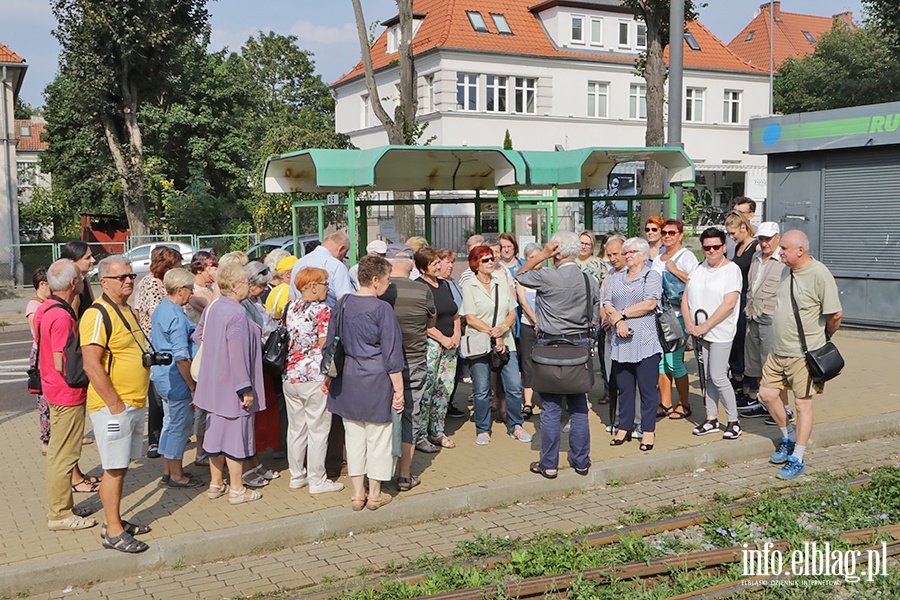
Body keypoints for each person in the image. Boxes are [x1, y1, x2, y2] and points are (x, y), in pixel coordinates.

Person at [80, 256, 152, 553]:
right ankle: (113, 531)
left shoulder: (125, 309)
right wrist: (115, 404)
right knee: (114, 468)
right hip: (114, 408)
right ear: (103, 281)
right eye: (121, 277)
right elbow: (91, 365)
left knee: (122, 467)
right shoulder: (97, 315)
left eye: (131, 276)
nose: (128, 281)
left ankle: (117, 520)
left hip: (133, 402)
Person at [322, 255, 405, 511]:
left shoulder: (343, 303)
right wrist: (399, 389)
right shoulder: (382, 309)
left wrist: (327, 375)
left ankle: (357, 494)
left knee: (354, 437)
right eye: (388, 280)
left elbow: (331, 343)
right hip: (377, 379)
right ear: (375, 279)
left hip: (348, 378)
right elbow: (392, 354)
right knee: (379, 438)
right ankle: (375, 494)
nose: (389, 285)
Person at [758, 230, 842, 480]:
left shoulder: (819, 274)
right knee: (767, 394)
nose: (779, 251)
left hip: (802, 354)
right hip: (778, 350)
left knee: (802, 404)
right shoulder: (787, 269)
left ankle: (798, 457)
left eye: (783, 248)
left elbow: (835, 315)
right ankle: (788, 438)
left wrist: (824, 339)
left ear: (800, 251)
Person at [517, 232, 600, 477]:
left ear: (556, 252)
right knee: (579, 409)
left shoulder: (547, 276)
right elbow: (595, 315)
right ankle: (581, 461)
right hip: (578, 349)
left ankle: (549, 464)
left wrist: (542, 254)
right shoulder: (589, 280)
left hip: (550, 349)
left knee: (551, 409)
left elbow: (519, 275)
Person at [192, 263, 267, 505]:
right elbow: (237, 354)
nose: (249, 286)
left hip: (212, 384)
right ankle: (237, 489)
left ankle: (216, 484)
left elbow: (198, 336)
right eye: (246, 282)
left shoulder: (215, 307)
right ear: (235, 287)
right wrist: (244, 388)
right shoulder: (235, 313)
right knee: (236, 436)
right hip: (232, 387)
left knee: (215, 435)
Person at [37, 259, 98, 531]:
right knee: (64, 455)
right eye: (82, 278)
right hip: (66, 393)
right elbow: (63, 358)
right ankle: (60, 514)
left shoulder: (46, 308)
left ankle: (65, 506)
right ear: (73, 283)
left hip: (53, 389)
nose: (85, 282)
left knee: (60, 454)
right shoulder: (61, 315)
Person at [281, 267, 344, 495]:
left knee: (296, 428)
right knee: (318, 429)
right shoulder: (322, 310)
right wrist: (329, 375)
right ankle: (317, 479)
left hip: (290, 375)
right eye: (325, 283)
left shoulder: (289, 307)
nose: (328, 287)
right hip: (314, 376)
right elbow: (325, 346)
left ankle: (296, 475)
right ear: (313, 286)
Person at [460, 245, 531, 446]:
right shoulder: (470, 285)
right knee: (481, 389)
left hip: (506, 341)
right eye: (485, 260)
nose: (491, 262)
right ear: (475, 263)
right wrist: (494, 333)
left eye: (491, 258)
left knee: (514, 386)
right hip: (479, 343)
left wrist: (503, 329)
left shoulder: (501, 282)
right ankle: (483, 429)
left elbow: (511, 311)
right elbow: (471, 318)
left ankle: (516, 424)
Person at [379, 244, 435, 490]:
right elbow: (430, 320)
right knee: (411, 415)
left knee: (381, 418)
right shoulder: (422, 291)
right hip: (414, 360)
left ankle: (379, 473)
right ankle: (404, 475)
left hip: (382, 364)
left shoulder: (380, 291)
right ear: (411, 264)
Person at [682, 228, 743, 440]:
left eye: (716, 247)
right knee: (707, 375)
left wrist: (705, 326)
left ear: (724, 247)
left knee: (718, 376)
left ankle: (734, 421)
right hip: (700, 332)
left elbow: (729, 304)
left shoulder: (731, 270)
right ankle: (711, 418)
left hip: (720, 332)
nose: (711, 251)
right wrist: (689, 323)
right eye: (707, 247)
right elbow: (686, 297)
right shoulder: (699, 269)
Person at [602, 238, 662, 452]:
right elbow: (607, 302)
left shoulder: (651, 275)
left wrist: (623, 314)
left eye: (632, 252)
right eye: (626, 252)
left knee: (647, 390)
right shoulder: (618, 278)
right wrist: (617, 321)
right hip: (621, 341)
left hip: (645, 341)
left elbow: (650, 303)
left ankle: (647, 431)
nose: (628, 255)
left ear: (644, 255)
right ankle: (623, 427)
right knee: (624, 389)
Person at [150, 268, 201, 488]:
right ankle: (177, 475)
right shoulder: (177, 317)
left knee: (169, 424)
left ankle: (168, 469)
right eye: (190, 289)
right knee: (179, 427)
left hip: (162, 376)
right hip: (177, 379)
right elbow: (181, 357)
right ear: (179, 290)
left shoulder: (162, 309)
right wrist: (192, 386)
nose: (192, 294)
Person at [134, 246, 184, 460]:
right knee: (157, 394)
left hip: (159, 342)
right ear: (167, 266)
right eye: (177, 265)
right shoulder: (152, 284)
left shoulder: (154, 282)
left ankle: (167, 434)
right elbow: (158, 316)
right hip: (158, 345)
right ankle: (155, 440)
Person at [740, 222, 792, 422]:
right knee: (756, 365)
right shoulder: (755, 257)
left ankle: (785, 408)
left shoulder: (784, 260)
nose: (764, 243)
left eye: (768, 239)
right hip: (752, 317)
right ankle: (766, 404)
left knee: (775, 367)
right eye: (761, 239)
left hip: (772, 320)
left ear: (777, 237)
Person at [652, 219, 699, 420]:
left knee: (675, 362)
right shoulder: (658, 258)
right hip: (659, 315)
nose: (667, 236)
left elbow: (696, 282)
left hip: (678, 315)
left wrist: (674, 269)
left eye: (672, 232)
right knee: (662, 362)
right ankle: (665, 403)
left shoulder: (686, 256)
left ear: (680, 235)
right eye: (664, 233)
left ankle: (684, 403)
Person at [415, 246, 460, 451]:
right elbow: (421, 321)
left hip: (451, 344)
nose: (439, 266)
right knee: (428, 390)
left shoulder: (444, 284)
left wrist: (456, 335)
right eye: (433, 263)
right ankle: (421, 434)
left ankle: (437, 430)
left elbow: (455, 312)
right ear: (423, 267)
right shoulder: (419, 287)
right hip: (432, 345)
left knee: (444, 389)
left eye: (438, 262)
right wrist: (442, 338)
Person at [240, 262, 280, 485]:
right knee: (252, 418)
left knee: (263, 414)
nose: (265, 289)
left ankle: (254, 461)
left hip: (262, 364)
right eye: (261, 285)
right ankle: (247, 466)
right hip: (252, 365)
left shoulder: (255, 301)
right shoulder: (242, 305)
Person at [183, 250, 218, 467]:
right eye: (211, 266)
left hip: (208, 352)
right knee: (203, 405)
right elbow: (213, 310)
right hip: (199, 353)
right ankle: (201, 451)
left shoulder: (208, 289)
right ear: (199, 268)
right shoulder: (196, 293)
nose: (214, 269)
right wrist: (219, 283)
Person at [724, 211, 759, 397]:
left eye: (733, 233)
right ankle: (739, 381)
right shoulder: (739, 246)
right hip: (737, 298)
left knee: (746, 345)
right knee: (736, 343)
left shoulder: (755, 247)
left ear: (743, 228)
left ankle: (751, 390)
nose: (731, 237)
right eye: (729, 234)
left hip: (747, 298)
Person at [515, 242, 543, 419]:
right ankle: (527, 402)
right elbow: (523, 301)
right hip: (528, 325)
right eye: (531, 258)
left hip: (546, 326)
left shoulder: (547, 276)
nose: (536, 261)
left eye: (538, 256)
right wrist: (535, 320)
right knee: (527, 363)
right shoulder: (521, 277)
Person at [290, 232, 354, 307]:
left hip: (300, 315)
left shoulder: (299, 263)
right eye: (344, 254)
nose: (342, 258)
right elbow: (344, 301)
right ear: (341, 248)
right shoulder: (337, 265)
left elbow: (291, 297)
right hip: (327, 315)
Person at [27, 266, 52, 455]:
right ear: (42, 284)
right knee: (44, 400)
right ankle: (46, 440)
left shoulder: (47, 302)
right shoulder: (34, 306)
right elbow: (39, 333)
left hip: (48, 353)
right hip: (41, 355)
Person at [59, 240, 95, 317]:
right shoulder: (72, 286)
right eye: (88, 258)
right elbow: (73, 321)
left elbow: (92, 304)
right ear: (73, 262)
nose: (93, 260)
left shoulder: (83, 279)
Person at [265, 255, 298, 320]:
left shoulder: (275, 289)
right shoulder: (287, 290)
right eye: (298, 271)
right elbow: (289, 313)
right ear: (288, 274)